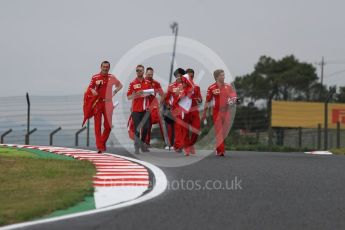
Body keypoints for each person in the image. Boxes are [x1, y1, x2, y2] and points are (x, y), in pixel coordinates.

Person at [87, 61, 123, 153]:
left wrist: (114, 92)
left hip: (108, 103)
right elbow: (90, 87)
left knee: (108, 126)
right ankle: (100, 147)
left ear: (109, 68)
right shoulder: (95, 77)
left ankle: (102, 143)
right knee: (97, 126)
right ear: (101, 67)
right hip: (98, 103)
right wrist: (93, 91)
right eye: (104, 66)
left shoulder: (111, 77)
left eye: (107, 67)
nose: (105, 68)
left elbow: (120, 85)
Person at [201, 69, 238, 156]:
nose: (223, 77)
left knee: (225, 131)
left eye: (223, 75)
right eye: (221, 75)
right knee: (219, 131)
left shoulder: (228, 86)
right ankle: (221, 150)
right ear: (217, 77)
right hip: (217, 112)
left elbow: (235, 98)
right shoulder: (211, 88)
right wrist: (204, 114)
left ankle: (218, 147)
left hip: (226, 111)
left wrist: (234, 101)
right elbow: (207, 102)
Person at [164, 68, 194, 153]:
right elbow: (166, 98)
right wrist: (168, 105)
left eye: (180, 75)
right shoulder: (171, 86)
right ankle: (178, 146)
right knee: (178, 127)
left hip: (185, 109)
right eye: (177, 75)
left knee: (183, 127)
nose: (178, 77)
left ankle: (182, 145)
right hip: (175, 109)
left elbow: (191, 94)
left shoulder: (186, 85)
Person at [127, 64, 153, 154]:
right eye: (137, 70)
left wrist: (147, 93)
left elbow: (151, 93)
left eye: (140, 70)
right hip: (136, 110)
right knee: (137, 129)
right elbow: (128, 97)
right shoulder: (133, 83)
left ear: (143, 71)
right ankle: (137, 147)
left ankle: (142, 144)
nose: (139, 72)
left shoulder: (148, 82)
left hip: (145, 109)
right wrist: (136, 94)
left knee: (146, 128)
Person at [144, 67, 165, 147]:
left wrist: (159, 103)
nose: (150, 76)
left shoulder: (156, 83)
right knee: (146, 124)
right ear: (145, 74)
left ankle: (166, 142)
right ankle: (145, 142)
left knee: (156, 122)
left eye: (151, 74)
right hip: (143, 105)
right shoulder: (142, 82)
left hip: (153, 106)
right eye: (148, 74)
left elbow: (162, 95)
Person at [184, 68, 202, 155]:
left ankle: (191, 145)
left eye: (192, 76)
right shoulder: (182, 87)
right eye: (189, 76)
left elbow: (200, 99)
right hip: (185, 111)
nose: (190, 78)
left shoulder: (197, 87)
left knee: (196, 129)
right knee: (186, 130)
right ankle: (187, 147)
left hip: (194, 111)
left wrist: (199, 99)